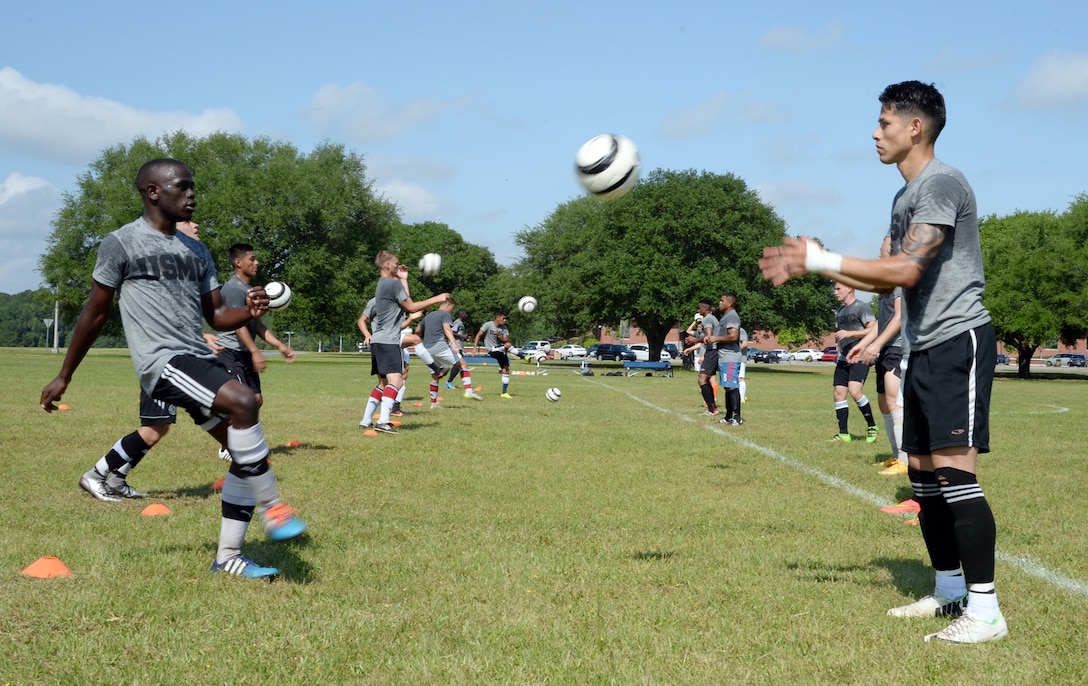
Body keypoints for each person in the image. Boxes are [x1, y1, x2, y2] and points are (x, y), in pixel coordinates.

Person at [759, 80, 1005, 643]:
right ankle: (948, 591)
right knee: (922, 479)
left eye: (884, 123)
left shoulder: (940, 184)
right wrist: (815, 264)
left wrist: (821, 257)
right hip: (922, 347)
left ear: (914, 127)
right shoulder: (904, 197)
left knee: (955, 475)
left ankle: (986, 610)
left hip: (956, 341)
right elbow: (883, 271)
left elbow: (907, 271)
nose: (875, 133)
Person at [41, 159, 307, 579]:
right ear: (152, 192)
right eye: (182, 187)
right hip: (160, 362)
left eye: (192, 187)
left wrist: (247, 311)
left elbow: (217, 314)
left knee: (247, 452)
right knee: (243, 401)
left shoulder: (197, 251)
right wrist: (64, 375)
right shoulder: (122, 243)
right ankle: (271, 506)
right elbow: (95, 312)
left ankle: (229, 557)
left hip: (197, 358)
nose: (192, 195)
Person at [71, 220, 222, 502]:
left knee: (159, 428)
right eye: (188, 220)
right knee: (153, 430)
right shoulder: (141, 251)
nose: (197, 223)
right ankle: (95, 475)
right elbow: (158, 320)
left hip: (185, 363)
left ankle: (116, 479)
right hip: (162, 364)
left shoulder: (193, 257)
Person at [214, 243, 296, 459]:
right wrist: (255, 351)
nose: (256, 262)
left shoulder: (250, 290)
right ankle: (229, 446)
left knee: (256, 399)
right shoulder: (232, 289)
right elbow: (237, 325)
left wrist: (279, 345)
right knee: (243, 401)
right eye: (251, 259)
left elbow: (255, 325)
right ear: (238, 262)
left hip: (244, 353)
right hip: (231, 352)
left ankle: (239, 440)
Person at [364, 251, 449, 433]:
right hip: (388, 341)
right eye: (395, 263)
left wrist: (404, 279)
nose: (398, 265)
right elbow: (411, 306)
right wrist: (437, 298)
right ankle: (383, 421)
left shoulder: (384, 284)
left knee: (383, 384)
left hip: (379, 340)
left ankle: (365, 420)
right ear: (387, 265)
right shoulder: (391, 284)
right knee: (397, 381)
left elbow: (405, 301)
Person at [848, 235, 906, 473]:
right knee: (883, 402)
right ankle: (895, 455)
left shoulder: (900, 280)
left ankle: (905, 459)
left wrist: (877, 344)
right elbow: (883, 322)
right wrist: (866, 343)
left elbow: (900, 318)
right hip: (885, 347)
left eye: (882, 252)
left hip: (899, 347)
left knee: (894, 400)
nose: (878, 255)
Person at [829, 282, 879, 443]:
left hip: (860, 355)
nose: (835, 292)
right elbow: (839, 335)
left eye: (838, 289)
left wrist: (850, 333)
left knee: (855, 391)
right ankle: (843, 434)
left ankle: (872, 426)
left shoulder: (862, 308)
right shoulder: (840, 311)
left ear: (849, 288)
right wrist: (838, 352)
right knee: (838, 393)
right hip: (844, 357)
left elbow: (873, 329)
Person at [417, 297, 482, 407]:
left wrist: (420, 342)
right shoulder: (445, 314)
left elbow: (418, 330)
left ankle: (434, 404)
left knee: (435, 376)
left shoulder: (429, 316)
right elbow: (447, 328)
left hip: (427, 348)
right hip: (439, 345)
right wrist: (454, 343)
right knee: (463, 364)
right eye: (452, 307)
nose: (452, 310)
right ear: (447, 305)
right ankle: (468, 391)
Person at [708, 293, 742, 425]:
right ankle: (728, 416)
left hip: (730, 356)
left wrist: (715, 338)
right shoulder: (725, 317)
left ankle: (737, 417)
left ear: (729, 303)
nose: (719, 303)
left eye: (722, 301)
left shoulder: (732, 316)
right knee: (727, 387)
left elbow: (733, 336)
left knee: (732, 387)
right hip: (723, 356)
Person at [684, 299, 720, 416]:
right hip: (712, 351)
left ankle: (712, 409)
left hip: (712, 351)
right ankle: (712, 407)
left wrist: (695, 340)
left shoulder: (708, 319)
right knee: (704, 379)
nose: (699, 310)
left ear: (705, 308)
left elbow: (708, 338)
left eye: (700, 308)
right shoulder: (711, 318)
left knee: (702, 379)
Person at [473, 311, 513, 398]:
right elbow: (478, 335)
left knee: (506, 369)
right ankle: (523, 356)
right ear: (497, 318)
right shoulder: (488, 325)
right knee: (508, 346)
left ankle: (504, 393)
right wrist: (475, 348)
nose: (505, 320)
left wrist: (499, 336)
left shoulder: (504, 328)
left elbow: (506, 339)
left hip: (501, 350)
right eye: (503, 318)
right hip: (492, 349)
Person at [444, 309, 468, 389]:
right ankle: (449, 382)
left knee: (461, 365)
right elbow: (451, 332)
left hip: (459, 346)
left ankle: (466, 384)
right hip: (455, 346)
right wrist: (462, 336)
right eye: (465, 314)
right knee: (458, 364)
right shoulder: (457, 322)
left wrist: (464, 337)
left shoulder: (460, 323)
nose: (466, 315)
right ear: (461, 314)